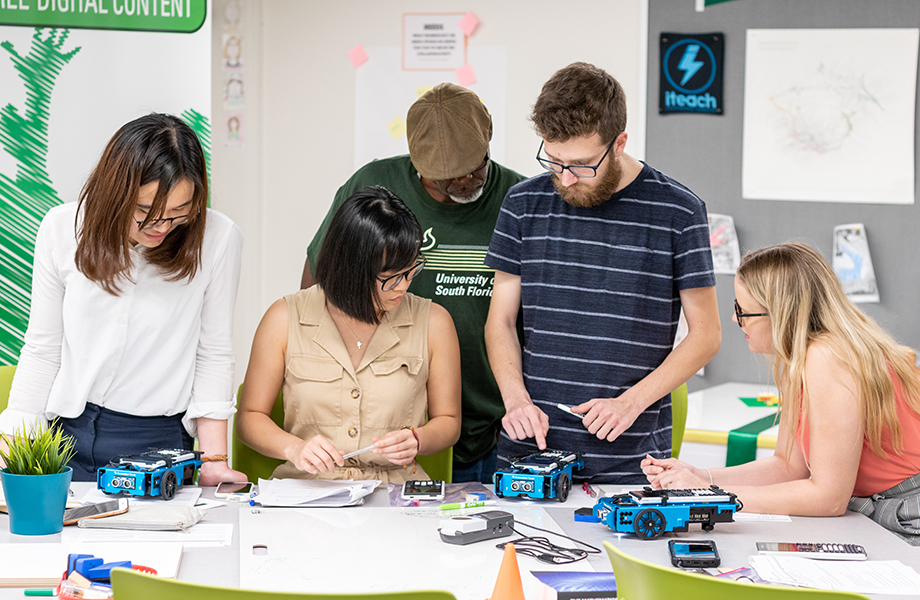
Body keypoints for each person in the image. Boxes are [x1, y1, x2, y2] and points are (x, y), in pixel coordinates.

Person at [484, 62, 721, 484]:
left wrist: (630, 404)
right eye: (554, 161)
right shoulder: (522, 203)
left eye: (580, 164)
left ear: (619, 142)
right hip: (530, 455)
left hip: (630, 462)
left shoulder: (679, 211)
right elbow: (500, 321)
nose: (566, 177)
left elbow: (706, 335)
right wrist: (515, 399)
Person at [0, 113, 246, 485]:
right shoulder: (62, 228)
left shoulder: (217, 238)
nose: (160, 228)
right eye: (145, 213)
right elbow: (42, 349)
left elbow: (213, 353)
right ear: (115, 192)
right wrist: (12, 449)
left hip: (157, 444)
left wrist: (213, 460)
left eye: (178, 214)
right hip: (64, 435)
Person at [300, 83, 526, 483]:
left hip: (492, 425)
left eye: (473, 169)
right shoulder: (374, 188)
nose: (462, 184)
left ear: (488, 135)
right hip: (388, 422)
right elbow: (319, 282)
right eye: (444, 180)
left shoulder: (520, 199)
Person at [642, 243, 920, 542]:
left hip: (906, 510)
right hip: (879, 505)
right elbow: (789, 466)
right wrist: (700, 476)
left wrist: (710, 495)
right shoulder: (798, 358)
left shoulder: (826, 357)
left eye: (742, 310)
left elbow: (829, 498)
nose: (736, 320)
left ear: (781, 313)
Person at [239, 186, 462, 484]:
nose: (403, 287)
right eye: (391, 278)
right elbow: (249, 417)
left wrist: (418, 439)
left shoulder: (435, 322)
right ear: (351, 269)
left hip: (396, 491)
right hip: (309, 489)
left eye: (411, 271)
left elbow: (449, 422)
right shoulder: (284, 318)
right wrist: (295, 448)